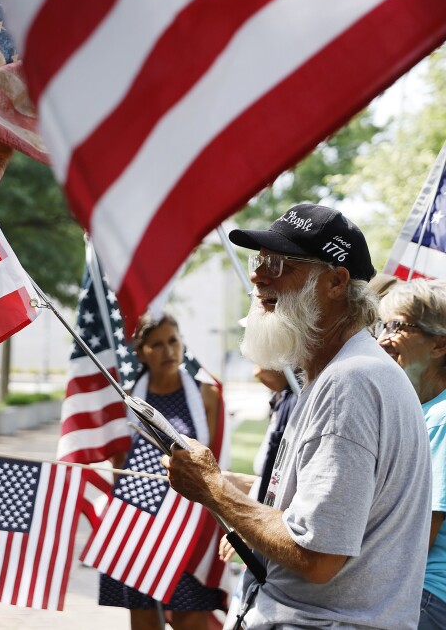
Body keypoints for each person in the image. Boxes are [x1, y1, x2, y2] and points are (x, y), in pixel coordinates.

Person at [162, 203, 431, 628]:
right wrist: (244, 488)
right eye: (258, 260)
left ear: (336, 282)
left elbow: (317, 555)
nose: (257, 275)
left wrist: (213, 487)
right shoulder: (339, 374)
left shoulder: (350, 382)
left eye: (279, 263)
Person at [99, 311, 225, 630]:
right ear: (141, 352)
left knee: (191, 617)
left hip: (191, 522)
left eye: (173, 340)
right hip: (138, 522)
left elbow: (215, 460)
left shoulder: (205, 394)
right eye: (156, 344)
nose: (168, 351)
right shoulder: (127, 399)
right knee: (142, 618)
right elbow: (119, 466)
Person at [378, 279, 446, 629]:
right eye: (381, 325)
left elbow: (418, 534)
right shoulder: (421, 413)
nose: (381, 339)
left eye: (397, 326)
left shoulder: (441, 419)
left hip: (425, 597)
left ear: (439, 345)